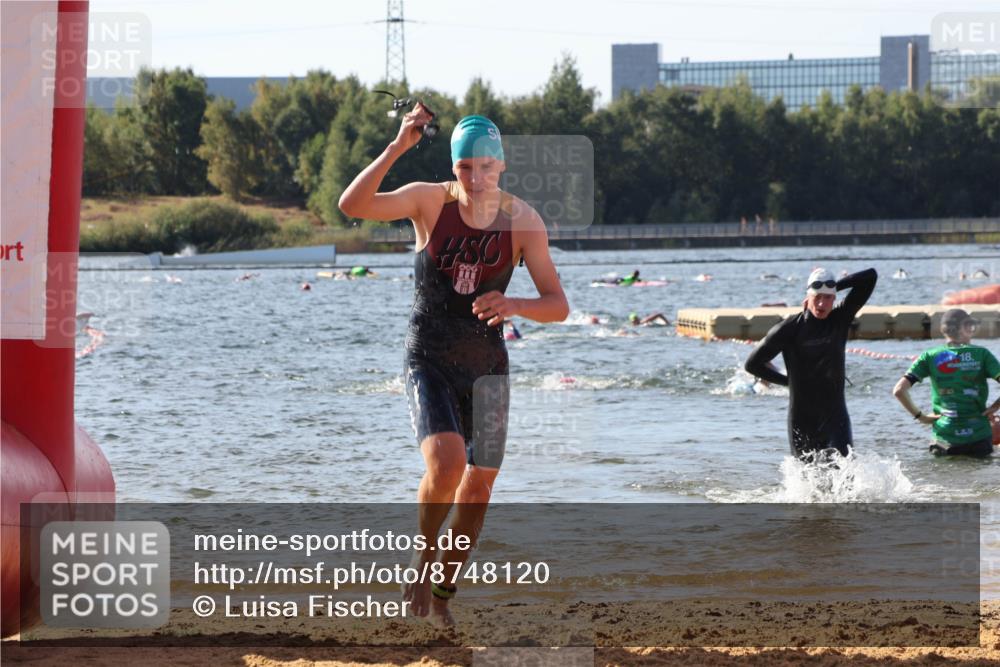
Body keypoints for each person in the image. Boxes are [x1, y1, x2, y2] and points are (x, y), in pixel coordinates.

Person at [338, 107, 568, 628]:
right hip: (429, 355)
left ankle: (443, 592)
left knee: (479, 487)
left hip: (487, 363)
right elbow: (352, 204)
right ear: (454, 168)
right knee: (445, 463)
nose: (476, 178)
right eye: (466, 168)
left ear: (502, 166)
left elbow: (557, 303)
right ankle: (422, 562)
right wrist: (398, 145)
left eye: (486, 166)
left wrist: (516, 306)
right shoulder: (427, 200)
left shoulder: (523, 221)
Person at [745, 267, 878, 460]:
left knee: (845, 475)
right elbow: (752, 364)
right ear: (808, 296)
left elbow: (870, 276)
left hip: (835, 419)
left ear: (834, 298)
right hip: (802, 421)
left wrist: (834, 286)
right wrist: (788, 381)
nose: (822, 304)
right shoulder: (789, 329)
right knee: (808, 484)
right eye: (817, 297)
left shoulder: (840, 318)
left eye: (828, 298)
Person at [892, 308, 1000, 458]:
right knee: (978, 478)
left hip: (943, 438)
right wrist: (994, 407)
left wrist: (921, 417)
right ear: (966, 328)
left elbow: (899, 390)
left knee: (943, 478)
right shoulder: (982, 354)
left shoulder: (929, 356)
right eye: (971, 327)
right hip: (978, 437)